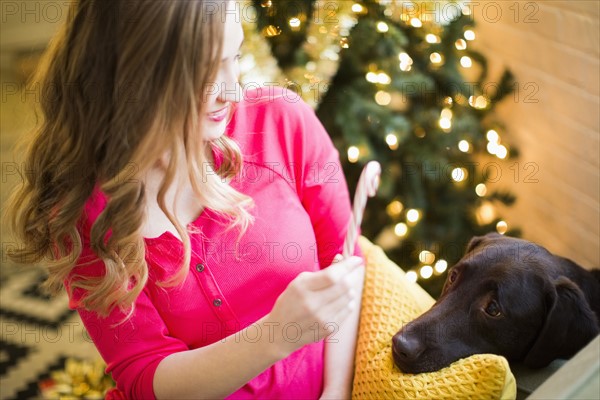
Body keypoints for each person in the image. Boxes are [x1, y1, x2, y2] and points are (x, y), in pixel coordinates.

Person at [6, 0, 366, 399]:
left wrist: (336, 392)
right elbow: (144, 375)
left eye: (236, 57)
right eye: (205, 71)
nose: (231, 89)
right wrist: (277, 335)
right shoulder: (84, 212)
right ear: (134, 77)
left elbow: (348, 260)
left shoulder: (281, 121)